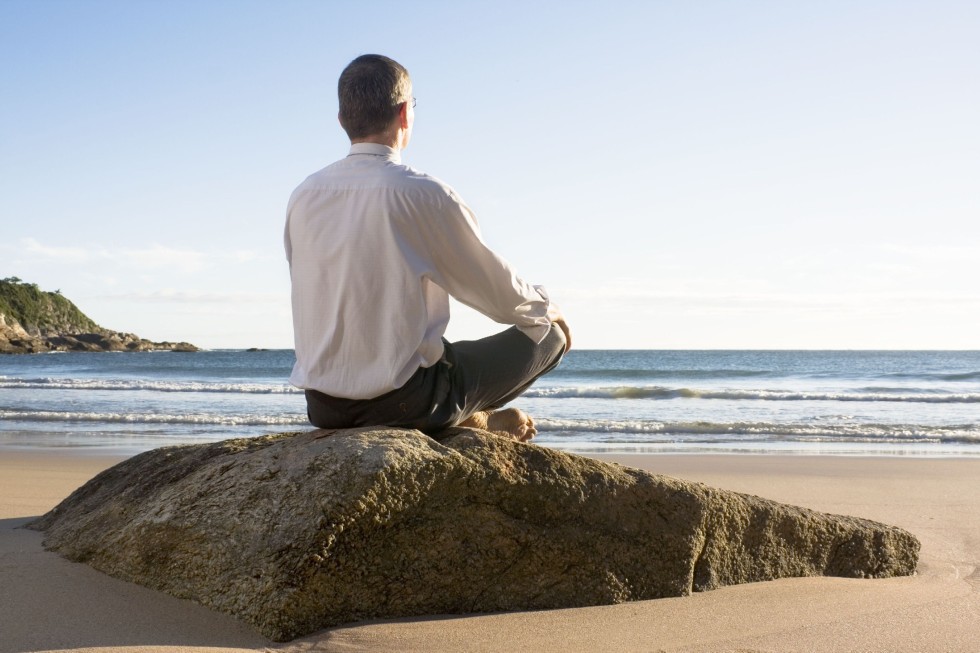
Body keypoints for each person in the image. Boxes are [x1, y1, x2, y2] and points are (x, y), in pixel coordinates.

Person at [285, 54, 571, 442]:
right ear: (405, 113)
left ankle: (468, 416)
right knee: (550, 335)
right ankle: (471, 417)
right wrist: (543, 304)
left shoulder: (303, 195)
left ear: (342, 121)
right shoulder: (423, 193)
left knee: (441, 353)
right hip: (405, 402)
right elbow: (493, 288)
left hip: (324, 407)